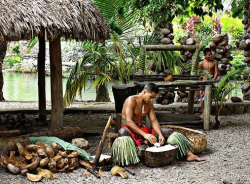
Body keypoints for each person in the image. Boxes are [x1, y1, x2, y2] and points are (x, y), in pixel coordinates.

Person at [118, 83, 205, 161]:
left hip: (141, 129)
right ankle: (129, 159)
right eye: (150, 97)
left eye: (153, 98)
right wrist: (145, 135)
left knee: (168, 132)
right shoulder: (131, 100)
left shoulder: (149, 104)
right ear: (144, 92)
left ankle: (188, 154)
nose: (151, 100)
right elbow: (129, 121)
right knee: (122, 132)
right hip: (129, 129)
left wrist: (159, 134)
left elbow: (154, 120)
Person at [198, 48, 218, 120]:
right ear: (205, 55)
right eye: (208, 55)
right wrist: (202, 79)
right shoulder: (201, 63)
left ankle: (208, 113)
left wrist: (213, 79)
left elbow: (216, 72)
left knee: (210, 97)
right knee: (203, 98)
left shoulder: (214, 62)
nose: (210, 56)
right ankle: (203, 113)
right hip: (203, 82)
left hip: (211, 81)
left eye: (211, 54)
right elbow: (199, 73)